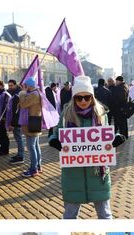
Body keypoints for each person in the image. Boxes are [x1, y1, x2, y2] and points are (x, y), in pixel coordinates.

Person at [49, 75, 124, 219]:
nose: (83, 101)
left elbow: (106, 136)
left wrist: (115, 140)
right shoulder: (66, 115)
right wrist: (54, 141)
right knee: (70, 216)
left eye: (87, 97)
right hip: (73, 175)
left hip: (98, 174)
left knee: (105, 215)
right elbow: (56, 133)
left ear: (92, 97)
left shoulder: (101, 114)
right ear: (74, 98)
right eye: (79, 97)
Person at [19, 77, 43, 177]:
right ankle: (38, 166)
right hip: (33, 122)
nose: (24, 88)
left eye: (25, 86)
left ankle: (34, 169)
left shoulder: (34, 94)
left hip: (32, 123)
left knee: (31, 147)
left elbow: (23, 104)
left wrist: (22, 93)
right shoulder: (35, 93)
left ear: (28, 85)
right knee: (35, 146)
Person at [7, 79, 25, 164]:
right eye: (9, 85)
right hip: (17, 120)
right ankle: (19, 154)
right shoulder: (15, 93)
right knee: (18, 139)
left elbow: (16, 111)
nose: (9, 87)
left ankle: (21, 156)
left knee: (19, 139)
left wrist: (12, 124)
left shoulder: (17, 95)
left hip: (17, 121)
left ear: (15, 85)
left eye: (11, 85)